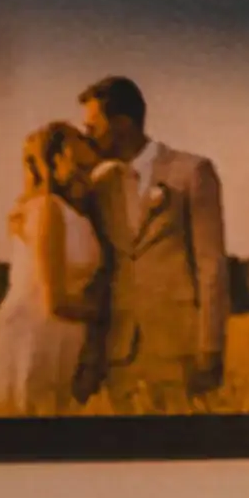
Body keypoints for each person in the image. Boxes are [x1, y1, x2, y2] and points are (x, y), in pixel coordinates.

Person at [79, 76, 228, 410]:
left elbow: (211, 265)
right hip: (120, 354)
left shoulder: (191, 172)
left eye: (93, 126)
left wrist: (211, 346)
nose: (87, 135)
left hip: (180, 347)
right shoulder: (100, 185)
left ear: (122, 123)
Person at [0, 126, 109, 418]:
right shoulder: (46, 208)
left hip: (65, 337)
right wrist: (108, 314)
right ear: (60, 153)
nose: (87, 139)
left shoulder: (76, 211)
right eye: (77, 137)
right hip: (33, 338)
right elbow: (55, 301)